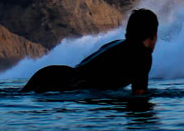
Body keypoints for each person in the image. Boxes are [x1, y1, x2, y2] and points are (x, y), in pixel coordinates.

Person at [21, 9, 159, 95]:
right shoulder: (142, 54)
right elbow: (139, 95)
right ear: (153, 35)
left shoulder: (116, 44)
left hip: (52, 73)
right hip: (71, 84)